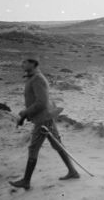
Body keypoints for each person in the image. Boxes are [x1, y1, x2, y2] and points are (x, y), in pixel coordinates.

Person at [9, 56, 79, 190]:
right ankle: (73, 172)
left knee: (34, 148)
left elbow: (41, 103)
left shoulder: (38, 79)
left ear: (33, 63)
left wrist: (24, 113)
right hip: (44, 118)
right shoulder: (32, 78)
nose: (21, 64)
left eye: (25, 62)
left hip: (43, 120)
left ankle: (26, 181)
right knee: (57, 144)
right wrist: (24, 117)